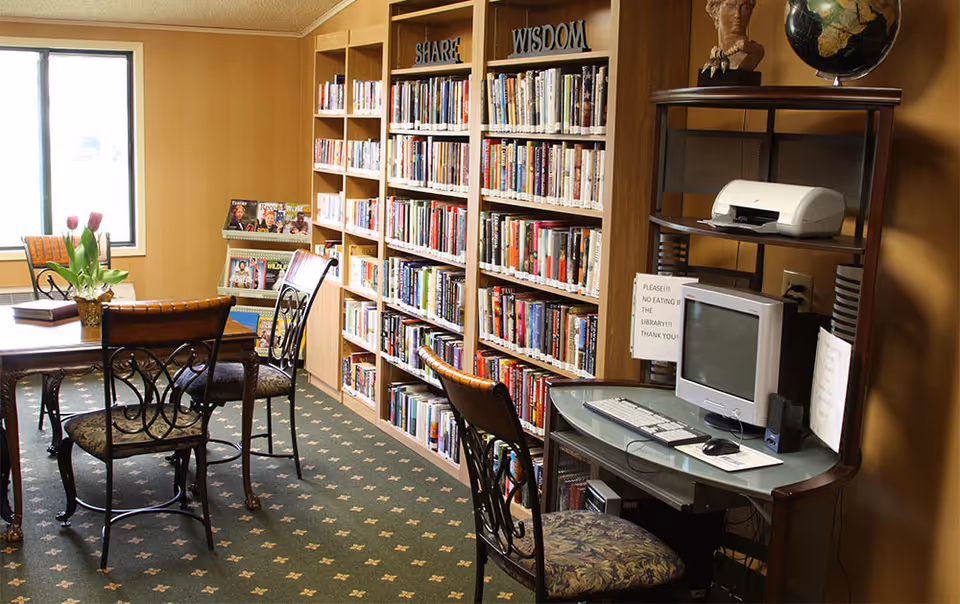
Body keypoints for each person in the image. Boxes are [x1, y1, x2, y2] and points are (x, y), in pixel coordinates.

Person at [702, 0, 764, 75]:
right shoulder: (716, 55)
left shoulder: (753, 52)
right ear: (715, 12)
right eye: (731, 6)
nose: (737, 15)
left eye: (744, 8)